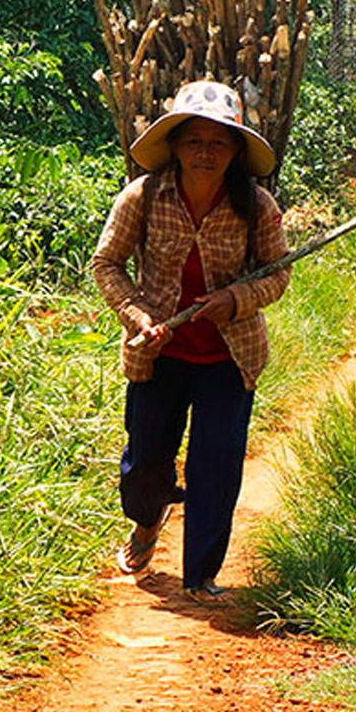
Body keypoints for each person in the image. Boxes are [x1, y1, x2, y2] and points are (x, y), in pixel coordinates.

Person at [91, 81, 290, 605]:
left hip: (229, 358)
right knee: (145, 466)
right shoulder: (143, 196)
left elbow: (277, 275)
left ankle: (200, 576)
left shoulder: (256, 205)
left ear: (236, 152)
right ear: (176, 146)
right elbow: (106, 263)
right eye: (194, 141)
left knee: (215, 464)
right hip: (158, 356)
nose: (206, 152)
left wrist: (236, 299)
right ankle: (147, 523)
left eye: (219, 143)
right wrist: (137, 317)